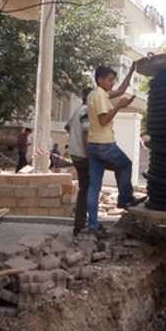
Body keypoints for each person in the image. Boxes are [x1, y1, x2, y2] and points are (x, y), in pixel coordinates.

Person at [86, 65, 144, 235]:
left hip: (93, 145)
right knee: (125, 164)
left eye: (113, 80)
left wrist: (132, 70)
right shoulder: (100, 97)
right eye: (110, 80)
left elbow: (120, 90)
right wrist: (119, 107)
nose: (112, 84)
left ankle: (93, 224)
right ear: (100, 80)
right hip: (105, 144)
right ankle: (125, 199)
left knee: (94, 187)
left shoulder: (95, 94)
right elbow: (104, 120)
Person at [65, 87, 93, 236]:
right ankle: (81, 224)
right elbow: (86, 134)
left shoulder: (78, 110)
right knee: (87, 189)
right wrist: (90, 156)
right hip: (84, 156)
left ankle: (82, 222)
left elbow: (68, 127)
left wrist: (73, 141)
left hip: (75, 154)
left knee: (85, 188)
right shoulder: (87, 111)